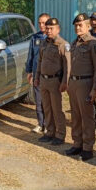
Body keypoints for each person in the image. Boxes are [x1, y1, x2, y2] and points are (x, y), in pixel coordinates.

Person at [66, 13, 96, 161]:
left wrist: (95, 89)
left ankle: (87, 147)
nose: (77, 28)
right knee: (76, 116)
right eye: (76, 25)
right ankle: (77, 143)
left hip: (86, 83)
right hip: (74, 83)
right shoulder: (75, 43)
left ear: (88, 26)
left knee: (87, 117)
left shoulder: (92, 43)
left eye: (80, 25)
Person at [34, 17, 71, 146]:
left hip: (55, 80)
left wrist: (65, 82)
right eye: (47, 28)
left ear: (58, 29)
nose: (49, 31)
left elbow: (67, 66)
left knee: (56, 109)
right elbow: (40, 61)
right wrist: (37, 76)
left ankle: (60, 134)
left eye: (52, 28)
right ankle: (49, 132)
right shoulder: (44, 43)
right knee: (47, 108)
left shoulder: (63, 44)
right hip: (44, 80)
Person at [26, 12, 50, 134]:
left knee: (48, 101)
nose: (41, 25)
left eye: (44, 23)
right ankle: (40, 124)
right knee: (39, 101)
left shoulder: (53, 39)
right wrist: (29, 71)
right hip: (37, 74)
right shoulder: (35, 38)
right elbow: (30, 56)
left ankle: (48, 125)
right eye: (39, 23)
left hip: (49, 76)